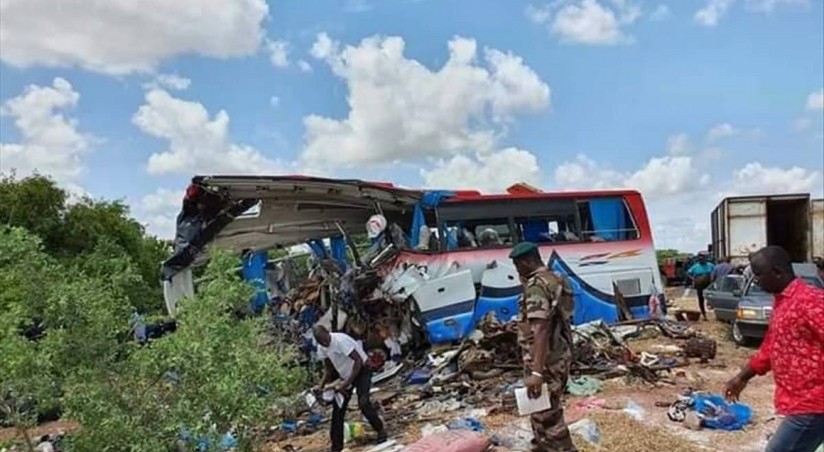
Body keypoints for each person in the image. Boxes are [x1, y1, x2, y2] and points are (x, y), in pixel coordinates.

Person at [724, 246, 824, 452]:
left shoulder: (811, 302)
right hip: (801, 402)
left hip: (815, 403)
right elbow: (770, 348)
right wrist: (742, 377)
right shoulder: (782, 303)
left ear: (777, 272)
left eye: (758, 274)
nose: (756, 280)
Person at [509, 242, 577, 452]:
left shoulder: (537, 286)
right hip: (559, 353)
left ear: (528, 261)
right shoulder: (556, 279)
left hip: (545, 360)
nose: (516, 270)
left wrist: (537, 371)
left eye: (518, 265)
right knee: (541, 413)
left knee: (547, 417)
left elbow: (541, 329)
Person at [312, 325, 386, 451]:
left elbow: (358, 361)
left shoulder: (340, 341)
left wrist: (346, 384)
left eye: (325, 340)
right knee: (338, 410)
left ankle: (380, 430)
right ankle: (336, 447)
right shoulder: (322, 347)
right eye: (321, 342)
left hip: (362, 370)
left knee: (363, 402)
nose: (325, 343)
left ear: (328, 333)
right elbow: (328, 369)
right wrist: (321, 386)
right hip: (345, 375)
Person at [687, 253, 715, 320]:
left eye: (703, 259)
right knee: (701, 298)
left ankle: (711, 307)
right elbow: (688, 273)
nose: (702, 260)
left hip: (709, 283)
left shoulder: (710, 265)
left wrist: (712, 278)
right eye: (700, 259)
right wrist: (693, 278)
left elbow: (714, 272)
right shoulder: (695, 266)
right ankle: (704, 314)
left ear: (706, 259)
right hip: (699, 284)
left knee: (711, 296)